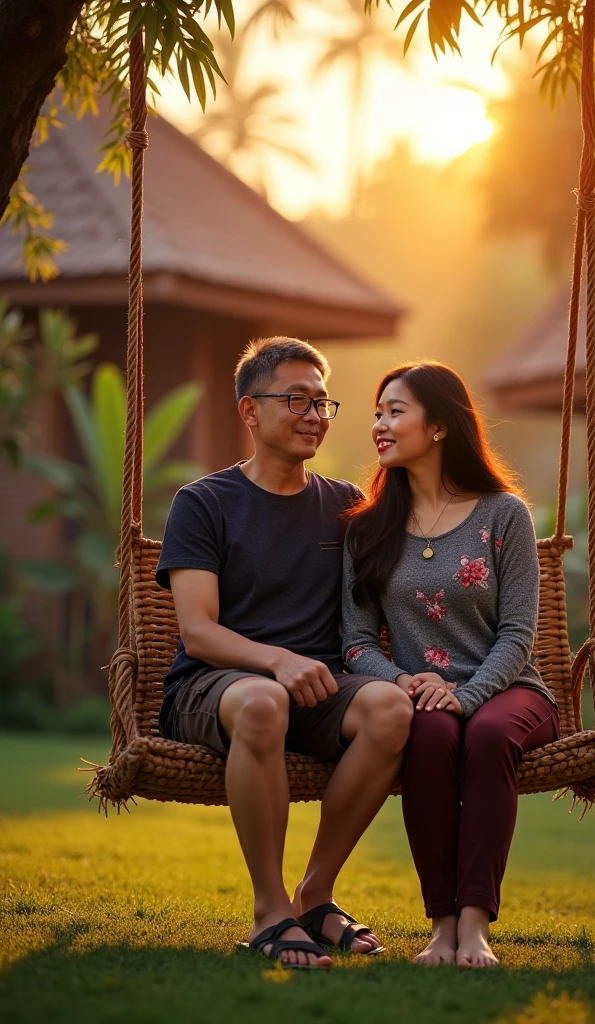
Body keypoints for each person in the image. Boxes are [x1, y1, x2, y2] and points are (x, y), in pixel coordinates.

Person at [156, 336, 413, 970]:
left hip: (318, 689)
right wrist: (276, 660)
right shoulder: (203, 503)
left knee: (389, 710)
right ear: (250, 411)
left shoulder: (344, 506)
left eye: (323, 402)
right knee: (266, 702)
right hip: (217, 688)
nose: (313, 415)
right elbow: (198, 631)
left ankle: (314, 896)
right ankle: (270, 911)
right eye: (296, 399)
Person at [342, 361, 560, 969]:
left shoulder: (503, 515)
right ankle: (440, 926)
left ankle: (474, 927)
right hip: (422, 698)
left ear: (438, 426)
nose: (380, 426)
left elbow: (519, 632)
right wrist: (403, 682)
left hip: (510, 689)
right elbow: (357, 643)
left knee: (487, 736)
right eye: (377, 414)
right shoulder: (367, 530)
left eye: (395, 411)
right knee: (430, 738)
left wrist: (466, 696)